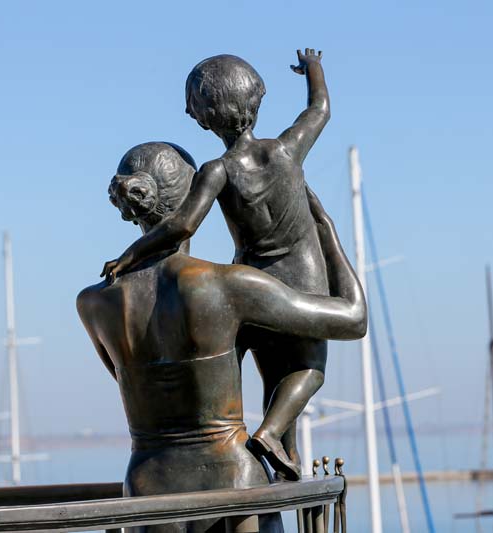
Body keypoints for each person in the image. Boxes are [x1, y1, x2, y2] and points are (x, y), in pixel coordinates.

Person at [78, 142, 365, 532]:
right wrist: (325, 232)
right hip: (233, 487)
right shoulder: (228, 286)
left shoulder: (93, 303)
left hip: (146, 487)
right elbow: (353, 319)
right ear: (198, 200)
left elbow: (128, 378)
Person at [101, 49, 339, 480]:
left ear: (204, 119)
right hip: (303, 277)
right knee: (309, 369)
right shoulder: (287, 149)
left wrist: (132, 254)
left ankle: (285, 456)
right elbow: (319, 109)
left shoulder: (216, 170)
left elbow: (182, 224)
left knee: (270, 375)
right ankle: (271, 433)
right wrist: (313, 68)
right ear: (256, 99)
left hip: (252, 278)